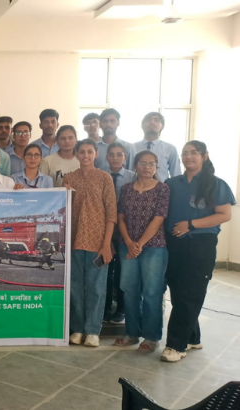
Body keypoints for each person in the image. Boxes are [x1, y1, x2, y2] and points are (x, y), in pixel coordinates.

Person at [161, 141, 234, 362]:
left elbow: (224, 214)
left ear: (204, 156)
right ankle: (193, 337)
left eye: (194, 153)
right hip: (174, 244)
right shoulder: (172, 183)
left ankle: (176, 345)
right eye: (185, 153)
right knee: (178, 292)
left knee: (190, 292)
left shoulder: (216, 184)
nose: (188, 156)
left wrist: (191, 225)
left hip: (201, 244)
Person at [63, 138, 118, 348]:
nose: (86, 155)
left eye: (89, 151)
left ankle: (93, 330)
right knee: (76, 287)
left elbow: (111, 214)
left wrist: (106, 244)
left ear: (96, 153)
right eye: (82, 152)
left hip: (98, 243)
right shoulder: (69, 178)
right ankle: (77, 329)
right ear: (76, 154)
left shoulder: (104, 178)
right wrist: (65, 192)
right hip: (74, 242)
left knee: (96, 288)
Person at [115, 150, 170, 352]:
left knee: (152, 291)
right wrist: (129, 242)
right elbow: (120, 217)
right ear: (135, 166)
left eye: (151, 164)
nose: (147, 167)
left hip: (154, 247)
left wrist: (139, 244)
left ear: (156, 167)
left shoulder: (162, 189)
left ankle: (151, 337)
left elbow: (159, 218)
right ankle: (131, 333)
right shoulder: (126, 189)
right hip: (127, 246)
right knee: (129, 289)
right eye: (142, 163)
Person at [103, 141, 137, 324]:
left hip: (126, 231)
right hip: (105, 230)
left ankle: (122, 308)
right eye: (111, 154)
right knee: (106, 270)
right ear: (106, 157)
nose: (115, 158)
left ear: (125, 157)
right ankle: (106, 307)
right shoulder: (101, 176)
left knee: (124, 271)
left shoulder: (134, 177)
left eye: (119, 155)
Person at [134, 112, 181, 182]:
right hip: (135, 187)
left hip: (163, 187)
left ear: (162, 126)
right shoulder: (132, 147)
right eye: (148, 120)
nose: (152, 122)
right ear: (142, 125)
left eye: (156, 120)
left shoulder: (170, 149)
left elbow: (176, 175)